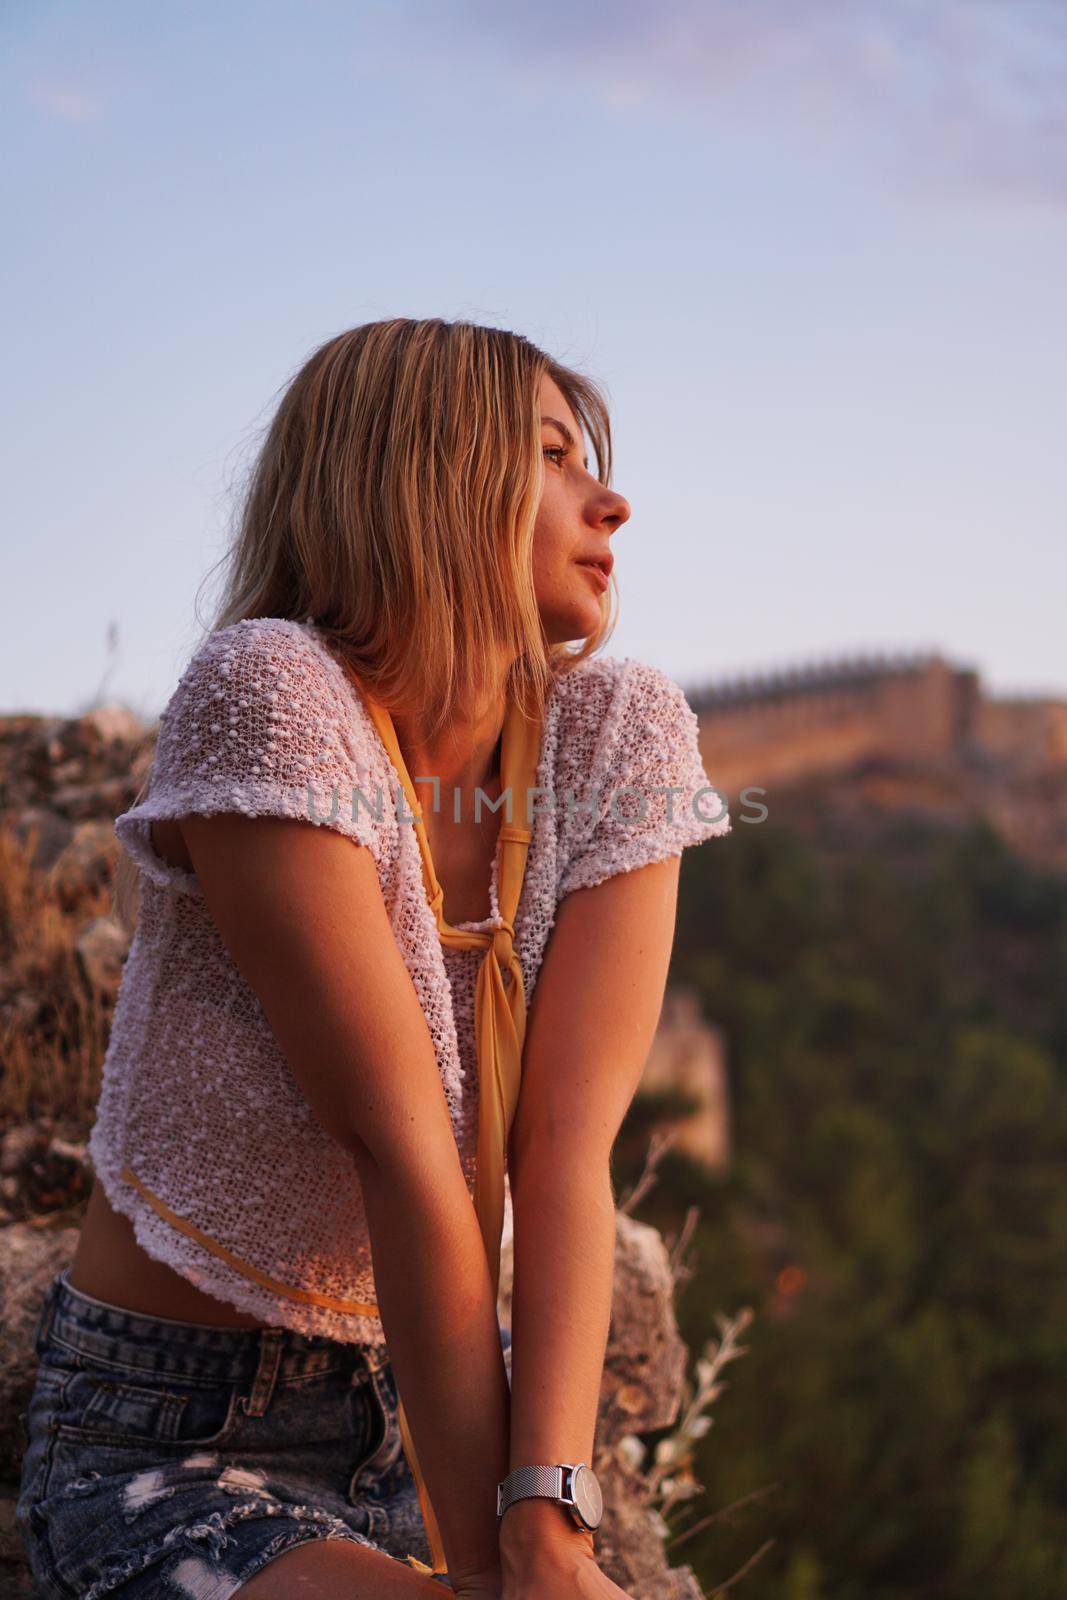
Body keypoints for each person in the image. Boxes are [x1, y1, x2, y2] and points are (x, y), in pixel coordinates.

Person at [16, 317, 731, 1599]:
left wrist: (545, 1518)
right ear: (424, 474)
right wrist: (498, 1573)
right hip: (175, 1436)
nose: (609, 499)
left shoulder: (618, 732)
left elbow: (566, 1152)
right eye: (554, 456)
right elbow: (401, 1148)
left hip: (434, 1408)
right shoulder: (273, 694)